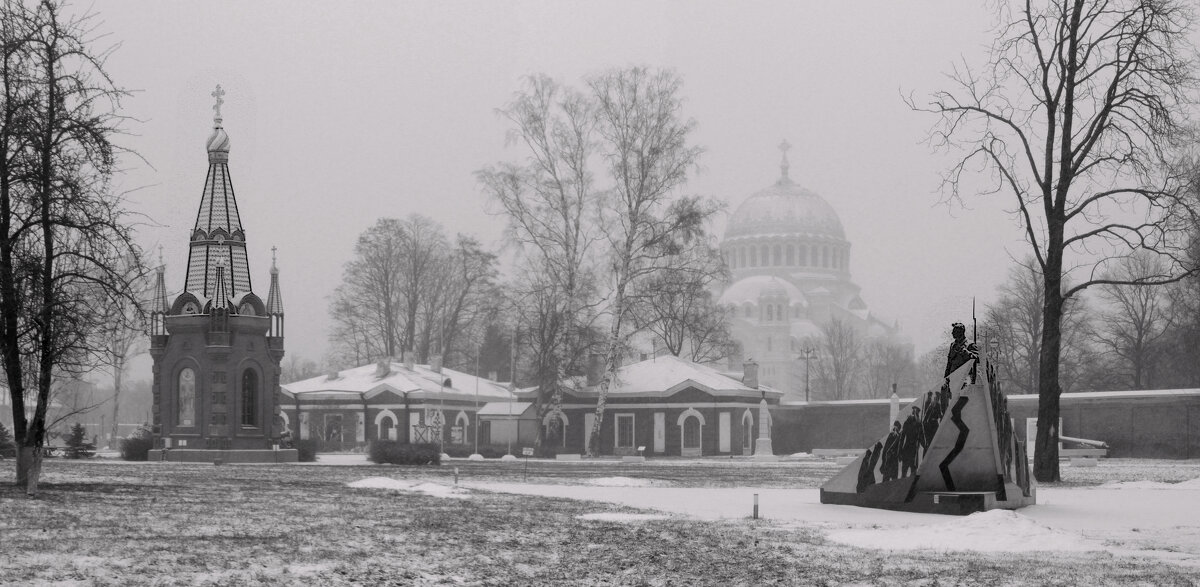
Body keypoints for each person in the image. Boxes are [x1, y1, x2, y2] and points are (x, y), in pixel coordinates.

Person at [900, 405, 925, 477]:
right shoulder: (908, 422)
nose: (914, 414)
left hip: (914, 451)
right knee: (904, 472)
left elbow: (922, 437)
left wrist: (925, 446)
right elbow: (902, 437)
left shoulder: (919, 424)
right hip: (907, 450)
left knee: (913, 472)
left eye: (916, 412)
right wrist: (900, 451)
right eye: (913, 412)